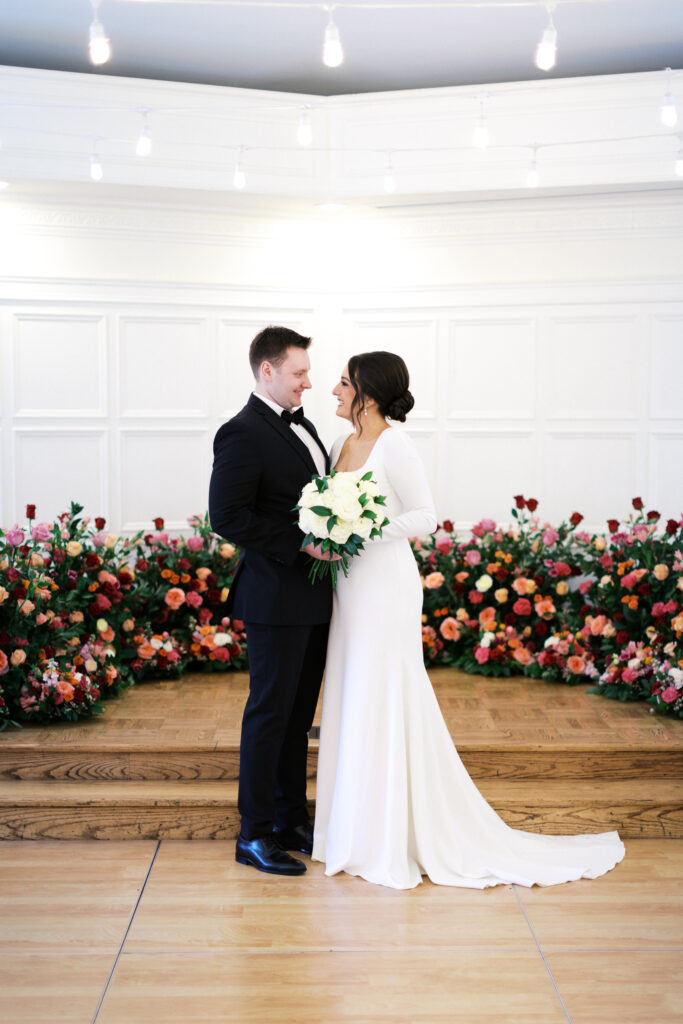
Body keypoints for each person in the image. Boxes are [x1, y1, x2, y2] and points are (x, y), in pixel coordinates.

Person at [312, 351, 625, 889]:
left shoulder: (396, 444)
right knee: (352, 691)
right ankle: (355, 831)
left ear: (368, 391)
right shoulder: (341, 444)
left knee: (383, 692)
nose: (334, 391)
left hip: (385, 586)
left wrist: (359, 531)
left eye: (343, 383)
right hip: (349, 588)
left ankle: (393, 836)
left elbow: (426, 517)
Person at [209, 326, 336, 876]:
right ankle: (253, 833)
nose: (309, 381)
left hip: (312, 597)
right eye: (299, 372)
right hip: (274, 597)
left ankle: (290, 819)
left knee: (296, 718)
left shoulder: (302, 425)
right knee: (268, 715)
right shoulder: (241, 432)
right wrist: (300, 543)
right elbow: (228, 517)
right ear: (268, 371)